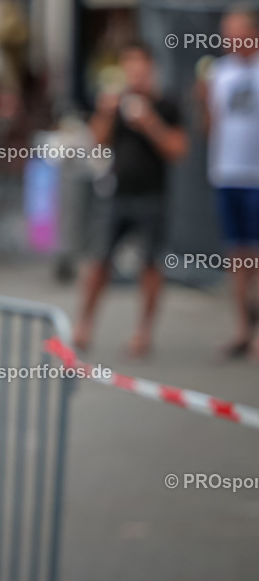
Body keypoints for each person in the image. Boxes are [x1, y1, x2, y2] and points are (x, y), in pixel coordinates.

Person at [73, 42, 188, 356]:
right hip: (117, 194)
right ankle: (83, 327)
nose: (135, 74)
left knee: (150, 265)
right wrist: (105, 112)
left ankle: (143, 333)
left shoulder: (166, 105)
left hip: (153, 196)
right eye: (129, 67)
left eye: (140, 67)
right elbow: (96, 143)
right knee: (98, 263)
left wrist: (149, 122)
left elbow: (178, 150)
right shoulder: (116, 105)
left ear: (151, 69)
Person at [199, 6, 259, 358]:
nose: (231, 39)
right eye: (227, 33)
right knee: (237, 256)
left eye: (237, 32)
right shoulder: (219, 73)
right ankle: (242, 329)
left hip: (256, 176)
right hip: (227, 174)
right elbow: (212, 127)